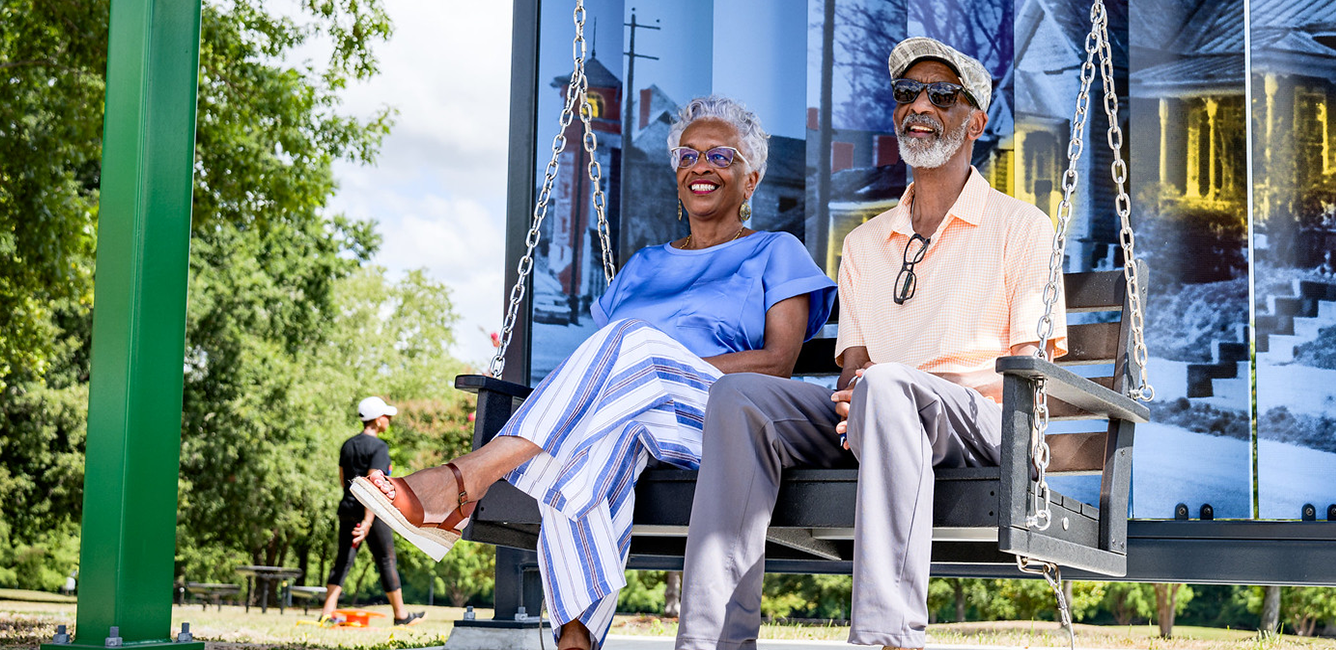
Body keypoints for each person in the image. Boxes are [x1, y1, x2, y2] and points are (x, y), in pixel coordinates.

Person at [353, 97, 837, 650]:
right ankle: (576, 641)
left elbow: (778, 361)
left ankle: (462, 482)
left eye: (721, 156)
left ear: (750, 180)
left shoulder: (777, 252)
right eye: (688, 155)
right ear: (677, 175)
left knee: (630, 349)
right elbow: (596, 378)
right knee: (587, 445)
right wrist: (641, 367)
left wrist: (658, 360)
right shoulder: (643, 266)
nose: (701, 166)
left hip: (724, 419)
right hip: (639, 418)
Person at [676, 37, 1066, 650]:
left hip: (982, 426)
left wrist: (893, 387)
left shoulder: (1022, 228)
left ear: (975, 122)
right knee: (738, 396)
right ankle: (711, 641)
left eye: (942, 94)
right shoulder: (863, 244)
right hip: (879, 417)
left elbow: (1031, 373)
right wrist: (855, 390)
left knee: (889, 384)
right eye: (908, 92)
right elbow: (854, 366)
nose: (920, 105)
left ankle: (887, 638)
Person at [319, 396, 425, 625]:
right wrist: (367, 521)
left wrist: (355, 509)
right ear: (377, 420)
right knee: (386, 559)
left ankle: (327, 611)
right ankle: (400, 615)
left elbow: (342, 480)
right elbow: (373, 486)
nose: (389, 420)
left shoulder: (348, 445)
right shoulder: (379, 447)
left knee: (343, 559)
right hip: (370, 511)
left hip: (347, 507)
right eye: (386, 416)